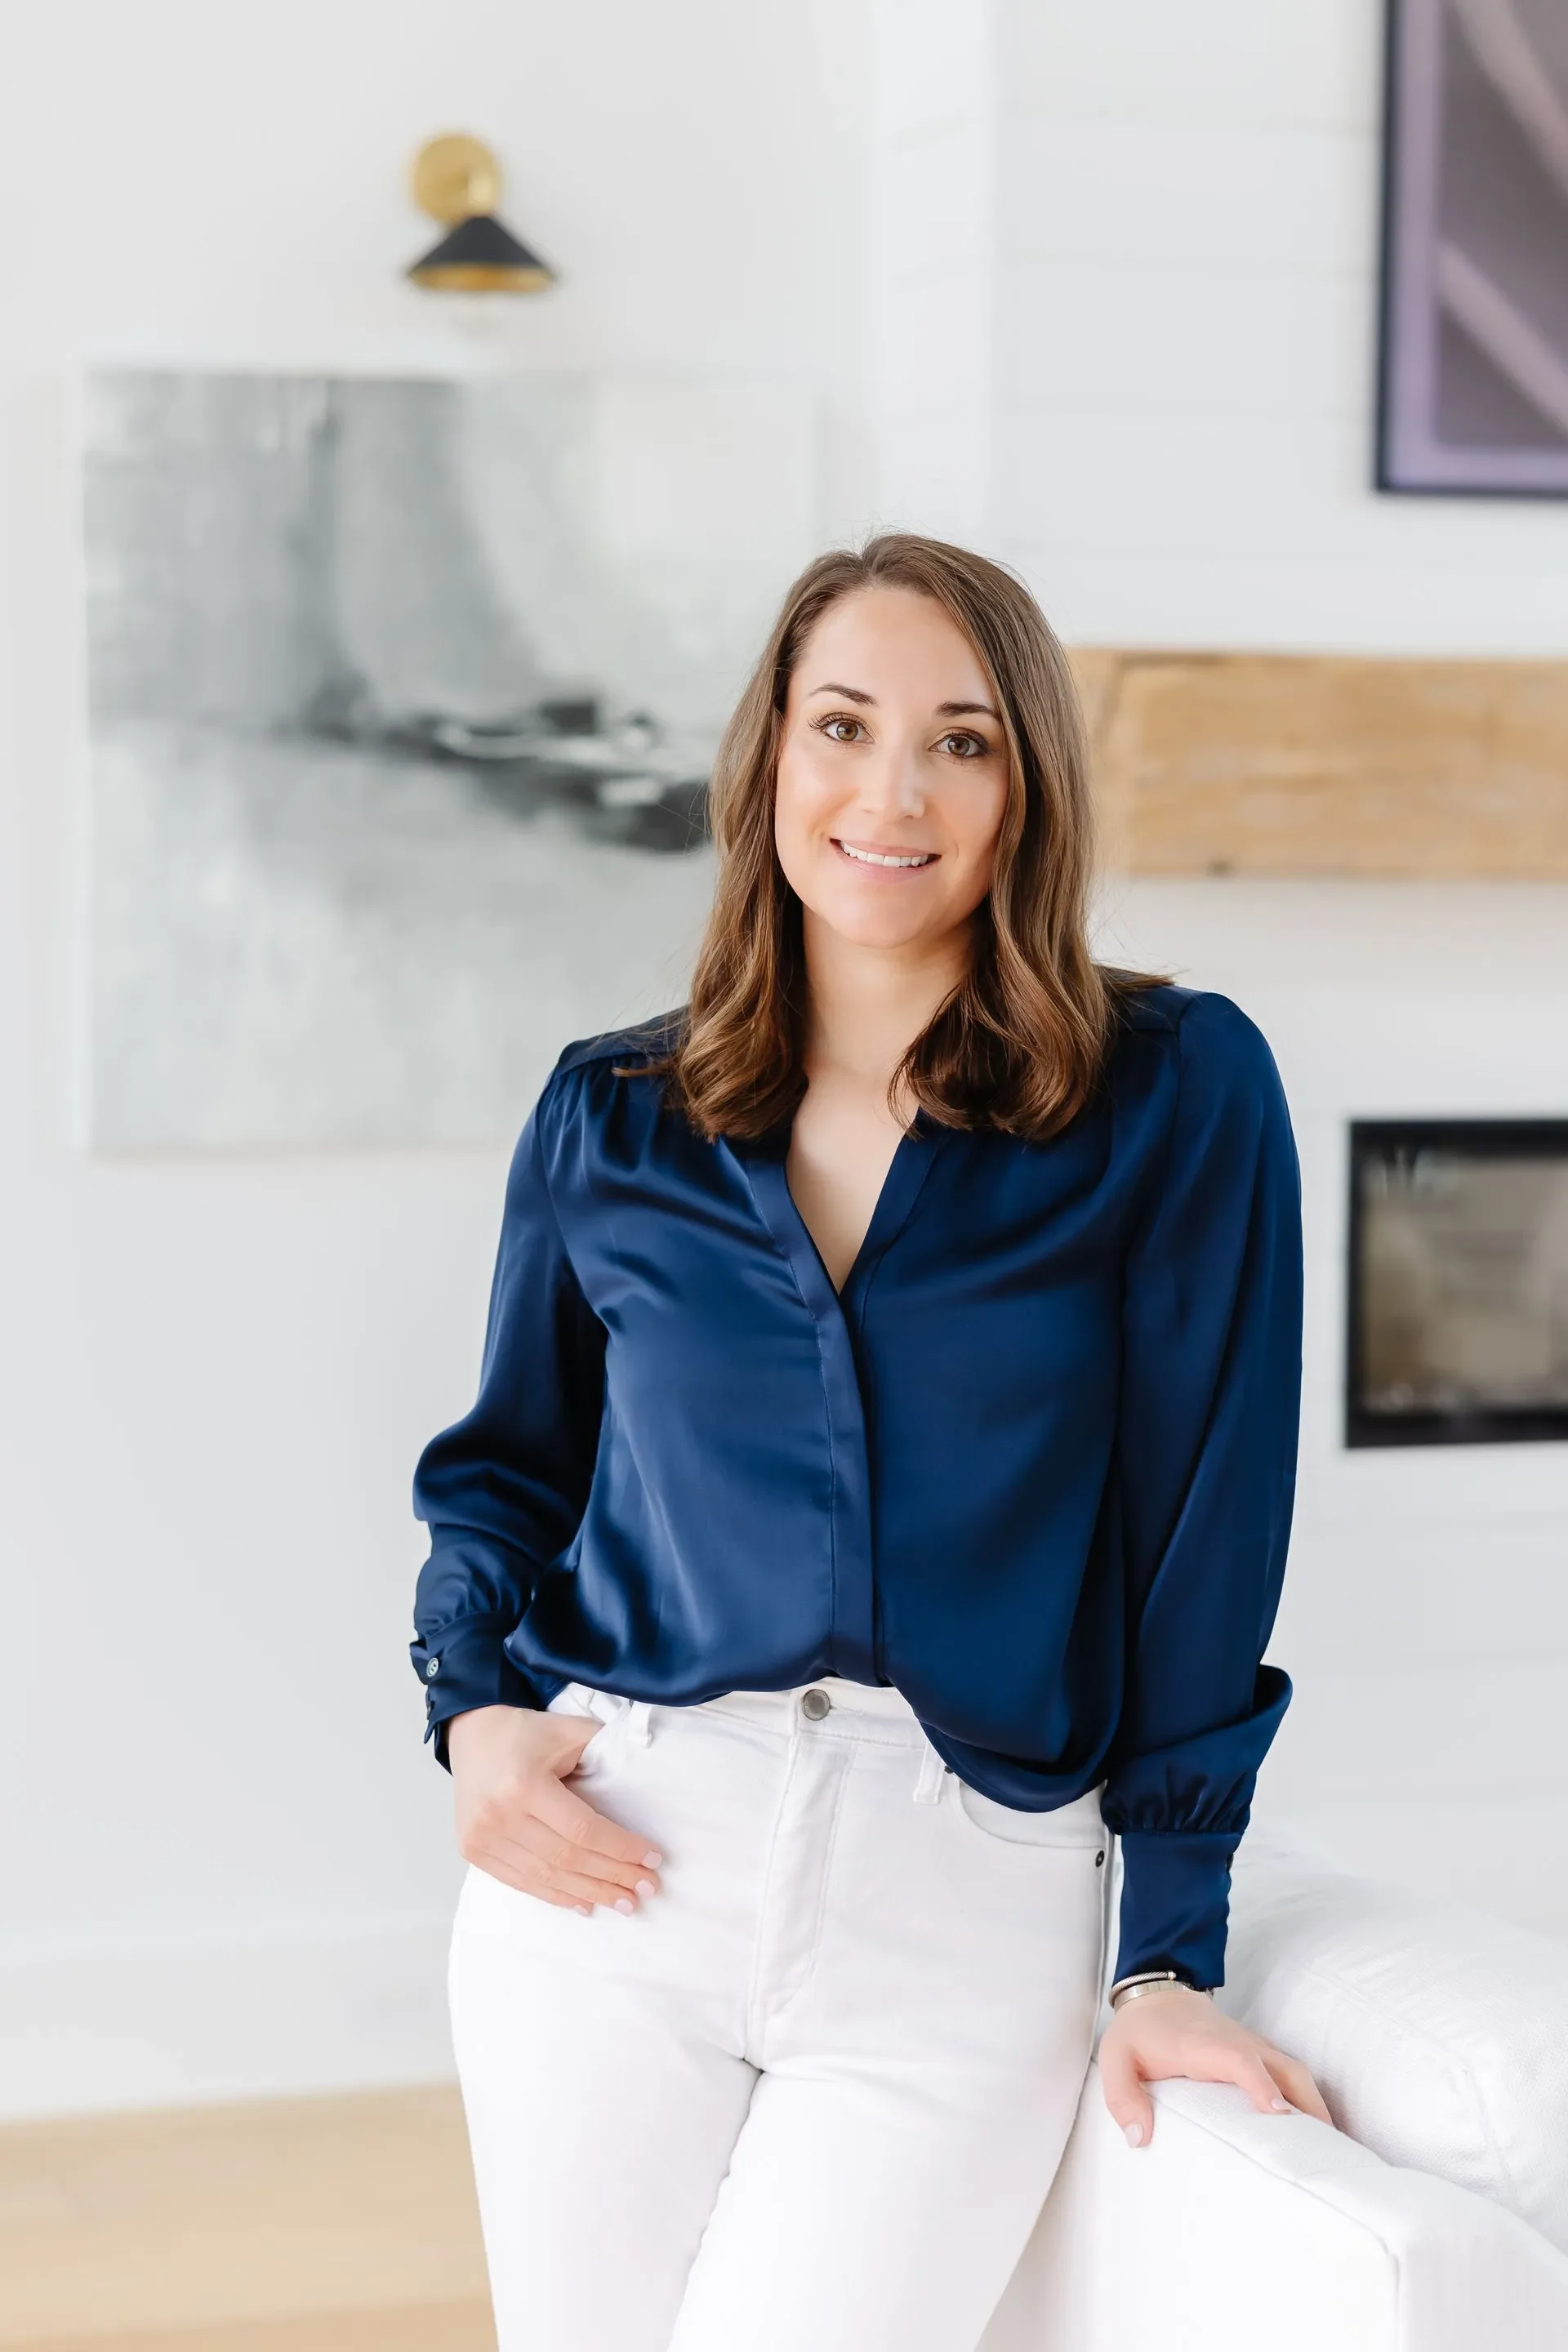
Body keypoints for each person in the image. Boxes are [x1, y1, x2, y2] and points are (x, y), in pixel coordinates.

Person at [408, 532, 1331, 2352]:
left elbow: (1205, 1539)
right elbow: (509, 1471)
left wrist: (1167, 1954)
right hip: (619, 1866)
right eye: (842, 725)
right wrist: (469, 1715)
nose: (890, 794)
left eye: (960, 742)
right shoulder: (612, 1115)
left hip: (963, 1904)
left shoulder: (1178, 1093)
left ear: (1025, 790)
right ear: (769, 758)